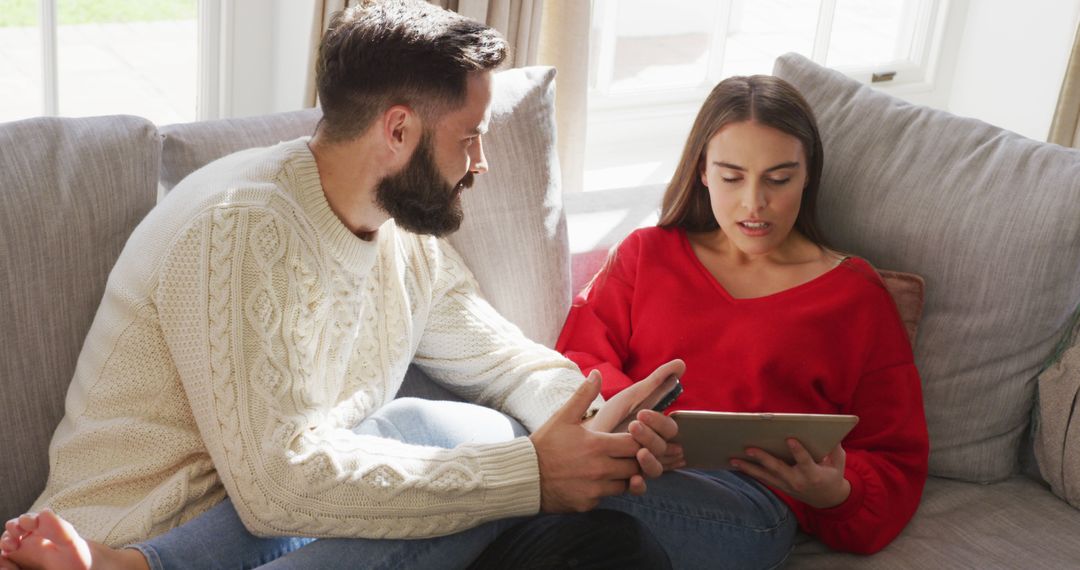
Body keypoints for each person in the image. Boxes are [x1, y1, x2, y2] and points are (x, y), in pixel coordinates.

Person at [0, 1, 682, 568]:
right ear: (398, 130)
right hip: (144, 531)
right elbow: (277, 486)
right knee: (496, 462)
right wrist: (532, 476)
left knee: (595, 528)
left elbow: (501, 357)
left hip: (301, 533)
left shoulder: (403, 234)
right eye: (470, 137)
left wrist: (594, 424)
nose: (482, 162)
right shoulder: (242, 227)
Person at [556, 75, 931, 559]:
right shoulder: (646, 254)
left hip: (748, 506)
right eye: (732, 177)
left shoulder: (856, 295)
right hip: (631, 467)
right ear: (703, 172)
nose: (755, 203)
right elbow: (577, 361)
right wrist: (638, 424)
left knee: (530, 491)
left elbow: (896, 459)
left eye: (779, 178)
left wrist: (835, 493)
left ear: (808, 174)